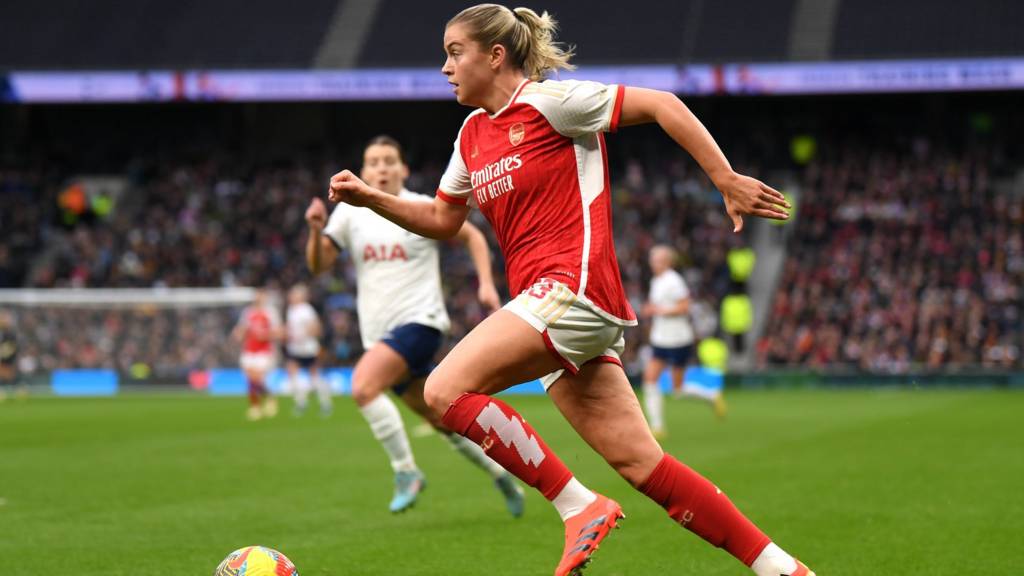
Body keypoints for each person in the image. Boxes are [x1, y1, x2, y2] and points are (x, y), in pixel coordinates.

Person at [325, 6, 812, 575]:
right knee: (642, 465)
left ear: (495, 55)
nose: (445, 67)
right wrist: (372, 198)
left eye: (455, 52)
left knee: (443, 391)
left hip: (572, 290)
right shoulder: (471, 135)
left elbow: (662, 104)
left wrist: (723, 177)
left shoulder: (551, 104)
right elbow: (441, 218)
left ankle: (578, 506)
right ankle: (782, 568)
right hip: (550, 305)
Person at [305, 135, 526, 516]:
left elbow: (472, 235)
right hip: (379, 335)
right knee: (440, 419)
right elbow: (318, 266)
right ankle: (502, 475)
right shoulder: (349, 214)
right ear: (363, 170)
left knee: (363, 386)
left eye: (390, 160)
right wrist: (314, 230)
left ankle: (406, 471)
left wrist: (487, 283)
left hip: (421, 323)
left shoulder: (423, 206)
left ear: (403, 168)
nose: (382, 167)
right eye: (373, 162)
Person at [231, 289, 281, 421]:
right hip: (249, 349)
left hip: (263, 351)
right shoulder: (248, 312)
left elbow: (278, 331)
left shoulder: (270, 312)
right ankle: (256, 406)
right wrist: (238, 334)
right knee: (250, 379)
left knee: (256, 377)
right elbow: (242, 327)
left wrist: (265, 335)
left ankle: (268, 399)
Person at [284, 284, 332, 417]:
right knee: (292, 373)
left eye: (294, 294)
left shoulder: (306, 310)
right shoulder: (291, 310)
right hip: (295, 348)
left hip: (308, 348)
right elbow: (290, 328)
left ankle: (325, 403)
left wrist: (303, 336)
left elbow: (316, 328)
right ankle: (301, 402)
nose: (291, 296)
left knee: (314, 375)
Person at [0, 310, 23, 402]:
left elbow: (12, 347)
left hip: (8, 358)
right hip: (5, 358)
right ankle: (18, 390)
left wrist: (4, 353)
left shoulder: (10, 334)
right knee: (6, 375)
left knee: (9, 375)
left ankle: (19, 390)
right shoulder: (4, 334)